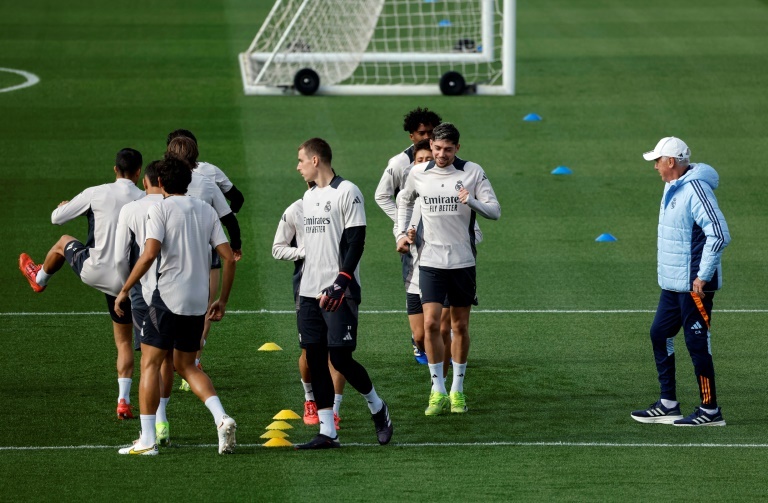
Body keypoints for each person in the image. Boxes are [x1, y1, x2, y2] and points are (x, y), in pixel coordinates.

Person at [115, 156, 237, 455]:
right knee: (186, 365)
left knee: (150, 364)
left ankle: (146, 442)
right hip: (197, 303)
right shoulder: (206, 210)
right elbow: (228, 256)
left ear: (159, 183)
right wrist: (222, 299)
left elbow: (148, 254)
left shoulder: (160, 208)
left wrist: (125, 289)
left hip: (167, 298)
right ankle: (221, 419)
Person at [19, 148, 145, 420]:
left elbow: (55, 218)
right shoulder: (145, 199)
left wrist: (65, 207)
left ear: (114, 170)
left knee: (64, 240)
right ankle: (123, 401)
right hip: (130, 282)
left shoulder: (96, 192)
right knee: (126, 343)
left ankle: (39, 277)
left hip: (95, 270)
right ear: (138, 173)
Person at [293, 138, 392, 449]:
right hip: (309, 293)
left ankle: (378, 408)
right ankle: (327, 432)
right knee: (315, 357)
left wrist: (341, 281)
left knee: (341, 357)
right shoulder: (308, 197)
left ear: (316, 160)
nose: (297, 167)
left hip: (339, 291)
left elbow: (356, 241)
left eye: (300, 160)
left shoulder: (348, 192)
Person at [396, 123, 501, 416]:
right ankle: (437, 389)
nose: (441, 155)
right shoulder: (418, 173)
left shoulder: (472, 172)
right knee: (430, 325)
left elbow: (495, 211)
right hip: (429, 262)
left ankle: (457, 390)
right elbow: (405, 200)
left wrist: (473, 202)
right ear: (431, 145)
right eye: (437, 149)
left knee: (459, 327)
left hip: (462, 263)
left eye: (448, 150)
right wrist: (402, 234)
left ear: (458, 148)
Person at [631, 137, 730, 427]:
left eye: (657, 161)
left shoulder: (697, 190)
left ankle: (710, 410)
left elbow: (720, 235)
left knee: (697, 345)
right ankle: (668, 403)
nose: (655, 167)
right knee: (659, 334)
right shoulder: (673, 186)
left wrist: (703, 274)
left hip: (694, 285)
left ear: (671, 162)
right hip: (673, 284)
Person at [165, 136, 242, 391]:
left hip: (166, 259)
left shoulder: (158, 182)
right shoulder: (207, 184)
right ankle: (193, 360)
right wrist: (236, 245)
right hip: (204, 254)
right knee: (203, 308)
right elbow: (230, 217)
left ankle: (156, 416)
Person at [272, 182, 346, 429]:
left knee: (338, 351)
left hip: (337, 285)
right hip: (306, 287)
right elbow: (278, 248)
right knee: (311, 351)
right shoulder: (296, 210)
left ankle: (334, 410)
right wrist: (303, 252)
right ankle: (310, 400)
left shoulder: (340, 203)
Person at [114, 160, 175, 446]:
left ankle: (151, 430)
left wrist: (125, 287)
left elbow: (120, 256)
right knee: (171, 358)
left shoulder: (132, 209)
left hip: (143, 291)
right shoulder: (175, 206)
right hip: (178, 290)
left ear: (145, 181)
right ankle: (162, 417)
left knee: (149, 359)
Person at [375, 107, 442, 363]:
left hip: (443, 237)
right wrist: (404, 226)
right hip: (413, 239)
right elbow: (382, 195)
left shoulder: (442, 158)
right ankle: (419, 339)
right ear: (411, 136)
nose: (427, 136)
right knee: (415, 281)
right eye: (421, 133)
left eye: (431, 132)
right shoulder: (399, 164)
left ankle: (441, 338)